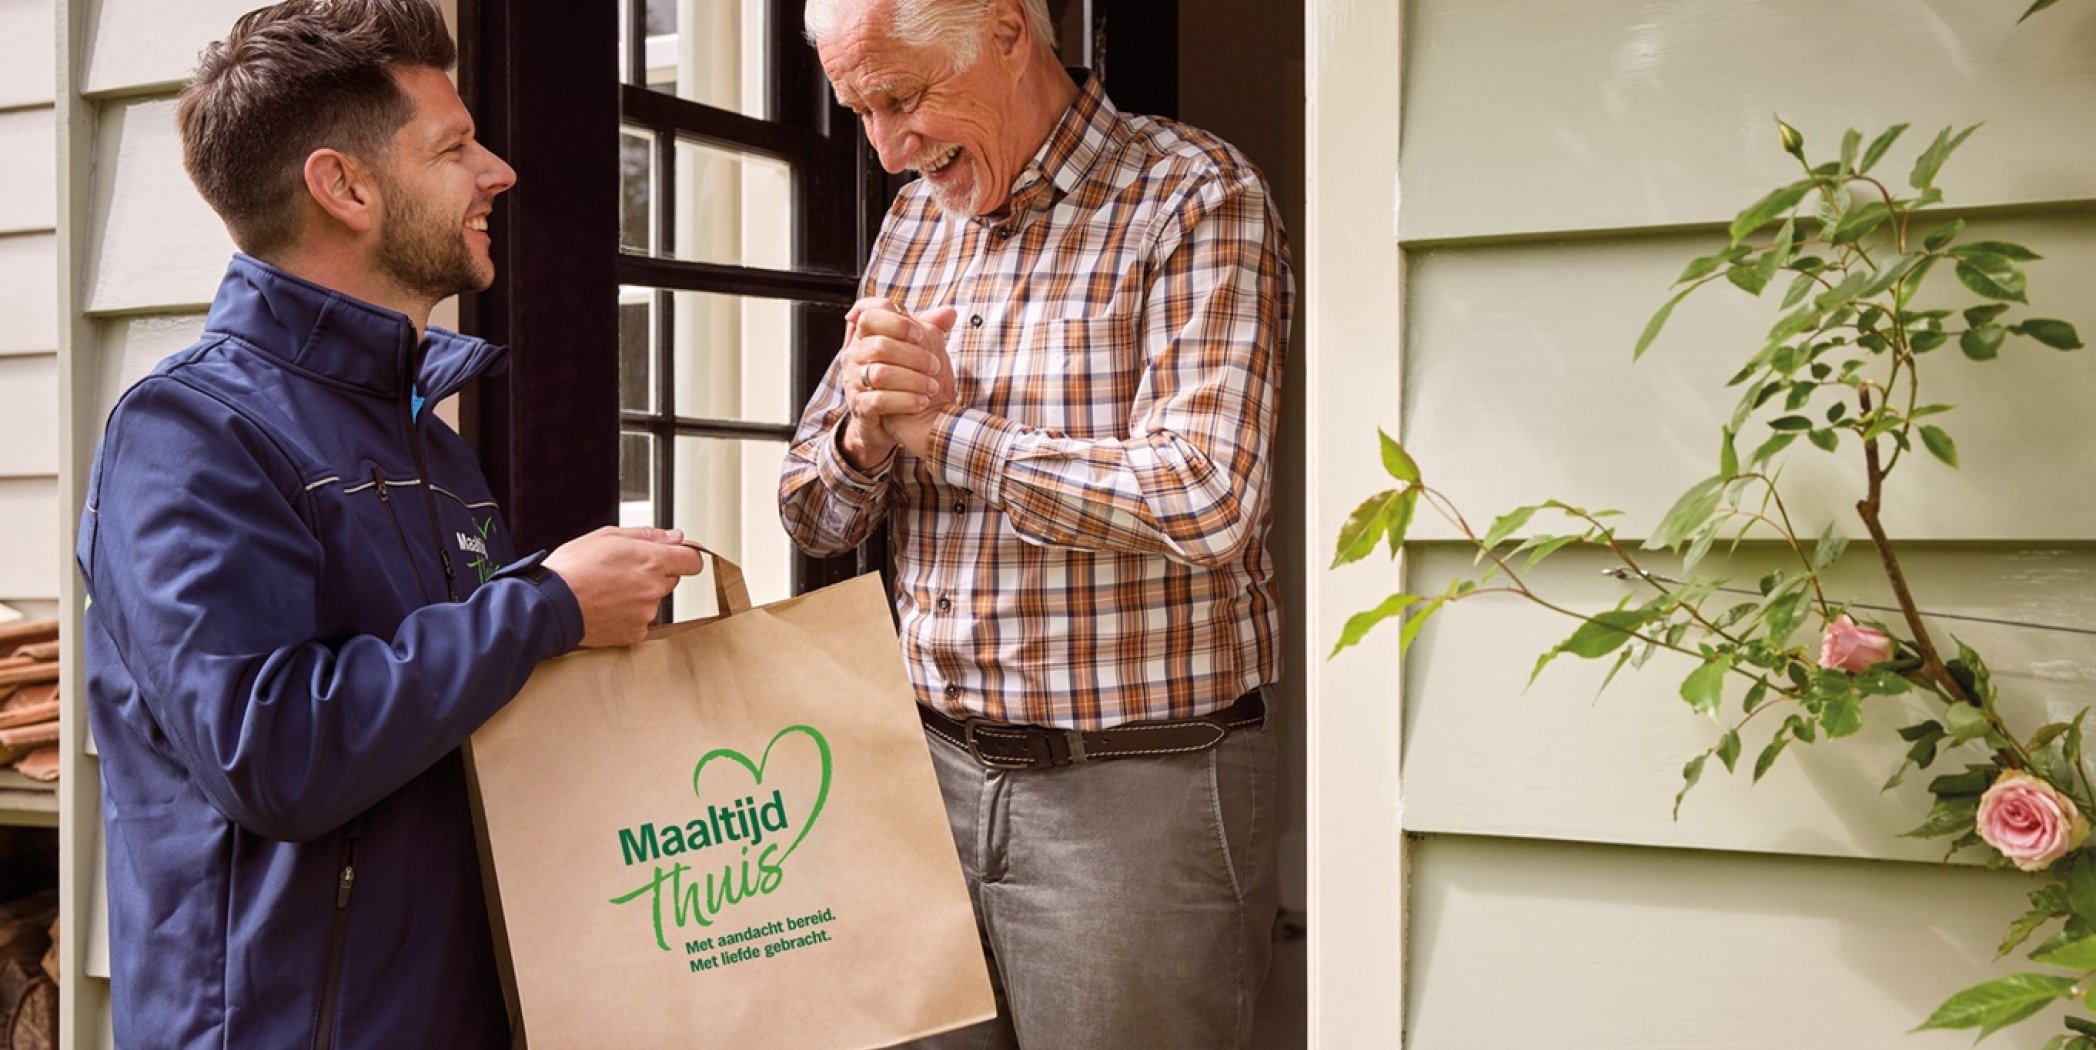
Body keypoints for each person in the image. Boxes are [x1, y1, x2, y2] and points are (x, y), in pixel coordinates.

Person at [74, 2, 704, 1046]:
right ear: (346, 186)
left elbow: (443, 702)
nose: (496, 171)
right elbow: (270, 751)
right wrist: (545, 607)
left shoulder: (426, 439)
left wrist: (588, 623)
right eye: (454, 147)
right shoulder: (189, 431)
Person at [780, 0, 1293, 1045]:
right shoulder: (916, 219)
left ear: (1009, 33)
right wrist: (868, 441)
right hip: (916, 780)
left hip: (1134, 795)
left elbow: (1204, 496)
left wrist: (945, 434)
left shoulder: (1193, 193)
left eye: (902, 98)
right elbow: (812, 513)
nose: (885, 149)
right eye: (858, 111)